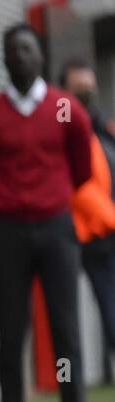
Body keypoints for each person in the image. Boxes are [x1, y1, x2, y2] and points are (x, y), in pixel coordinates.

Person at [0, 24, 99, 402]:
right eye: (13, 52)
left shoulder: (66, 109)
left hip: (57, 227)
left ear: (40, 57)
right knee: (10, 331)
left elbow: (81, 170)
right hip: (7, 232)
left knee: (66, 328)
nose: (21, 57)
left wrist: (50, 198)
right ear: (5, 61)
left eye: (27, 49)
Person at [59, 58, 115, 380]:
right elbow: (77, 184)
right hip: (79, 231)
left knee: (108, 300)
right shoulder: (63, 123)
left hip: (104, 229)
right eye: (79, 86)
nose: (85, 91)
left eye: (89, 85)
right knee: (72, 307)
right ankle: (69, 374)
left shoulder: (103, 125)